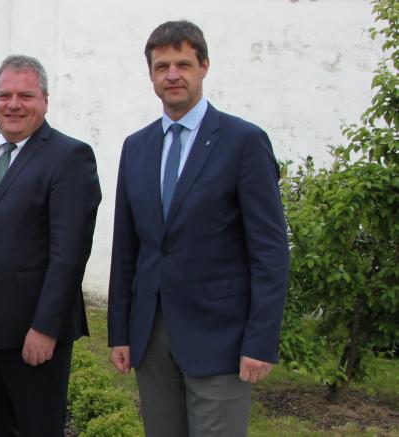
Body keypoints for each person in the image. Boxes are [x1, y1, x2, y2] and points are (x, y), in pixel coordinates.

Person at [107, 20, 289, 437]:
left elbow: (270, 251)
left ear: (204, 67)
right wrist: (120, 331)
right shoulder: (137, 147)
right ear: (151, 74)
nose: (172, 75)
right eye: (162, 66)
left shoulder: (243, 142)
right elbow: (127, 247)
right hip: (151, 337)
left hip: (220, 336)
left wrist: (260, 340)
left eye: (183, 64)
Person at [0, 55, 101, 436]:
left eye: (25, 95)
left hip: (31, 334)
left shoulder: (70, 157)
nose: (14, 104)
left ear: (45, 101)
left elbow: (69, 254)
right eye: (5, 95)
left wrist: (45, 328)